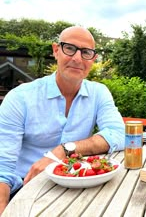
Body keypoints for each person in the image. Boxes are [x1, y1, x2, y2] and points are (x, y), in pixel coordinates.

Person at [0, 26, 125, 214]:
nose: (77, 58)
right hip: (24, 190)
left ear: (93, 59)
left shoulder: (98, 93)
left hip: (76, 190)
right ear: (56, 50)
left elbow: (119, 133)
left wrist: (65, 150)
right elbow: (3, 168)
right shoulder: (20, 98)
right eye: (69, 48)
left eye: (86, 52)